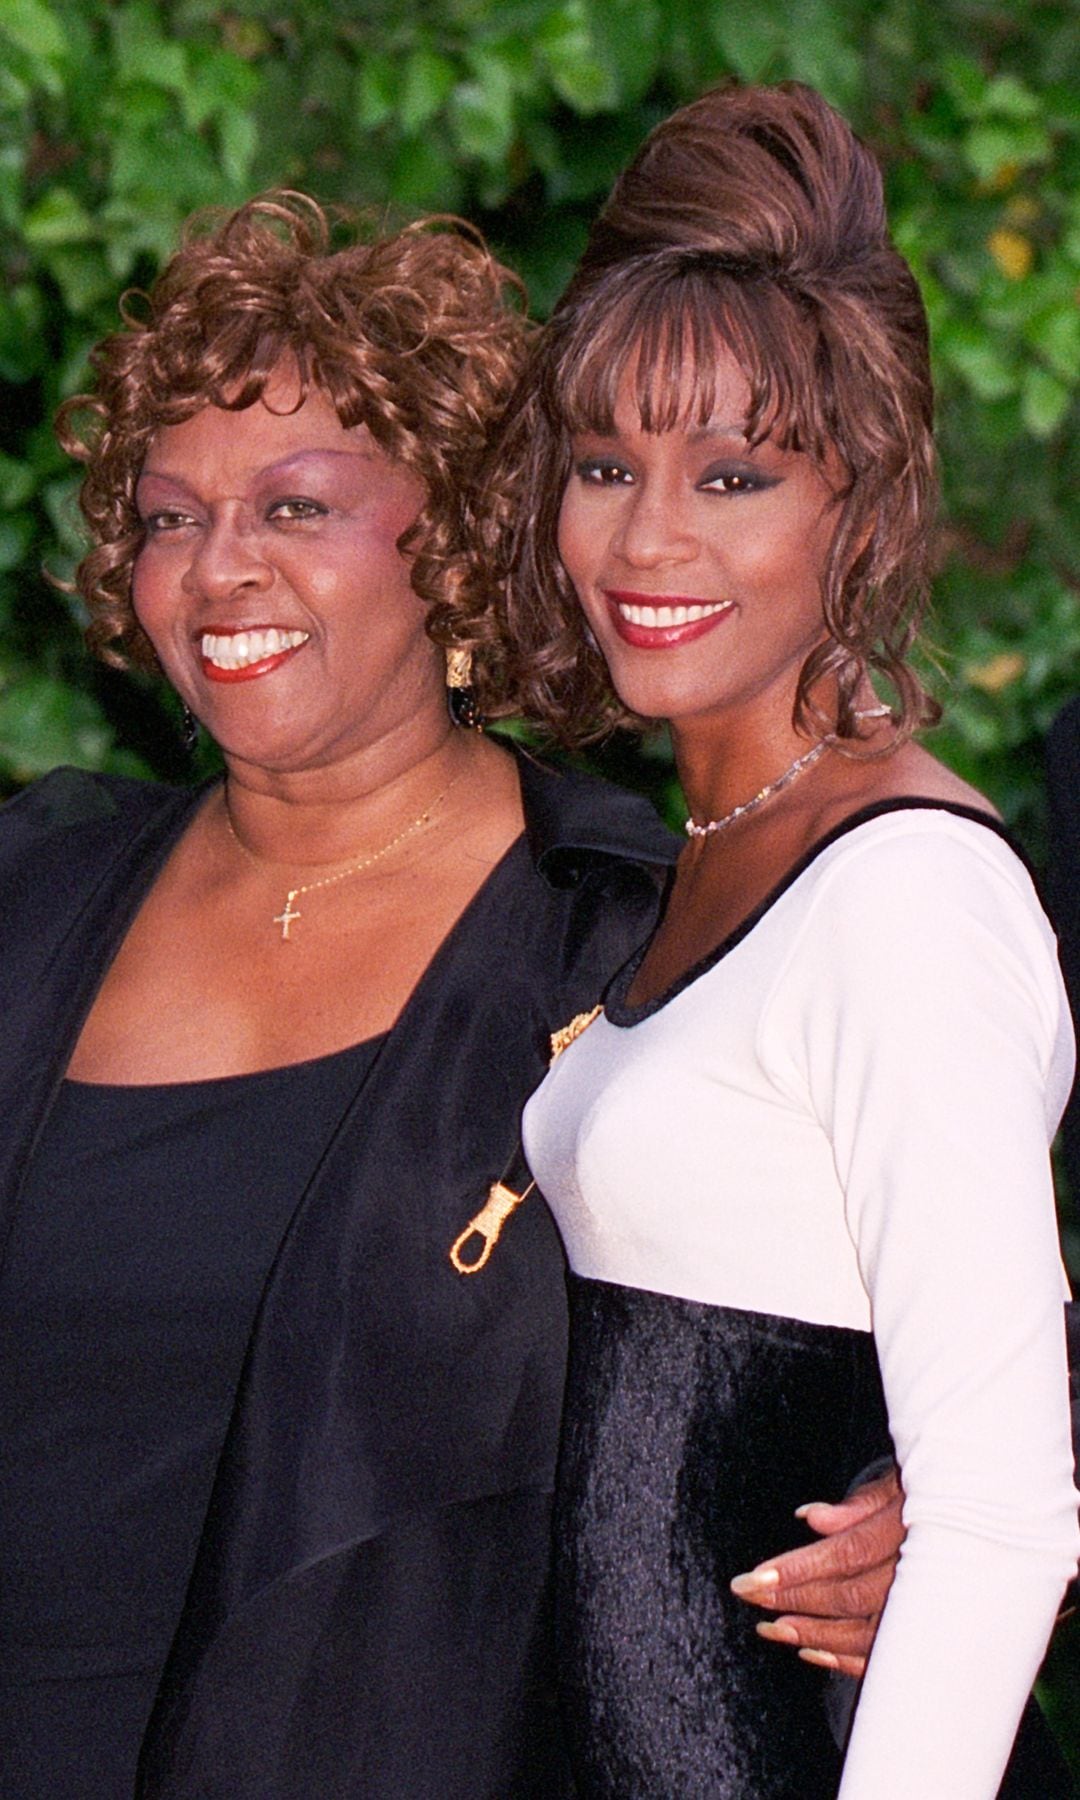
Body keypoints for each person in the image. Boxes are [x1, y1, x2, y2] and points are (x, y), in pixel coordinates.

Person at [0, 193, 681, 1799]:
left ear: (449, 531)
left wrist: (894, 1497)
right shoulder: (32, 897)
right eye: (170, 518)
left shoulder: (627, 940)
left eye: (296, 507)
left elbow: (841, 1327)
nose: (218, 569)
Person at [479, 81, 1080, 1796]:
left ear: (860, 506)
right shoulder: (699, 854)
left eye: (733, 475)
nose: (647, 539)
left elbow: (997, 1524)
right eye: (606, 466)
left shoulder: (907, 896)